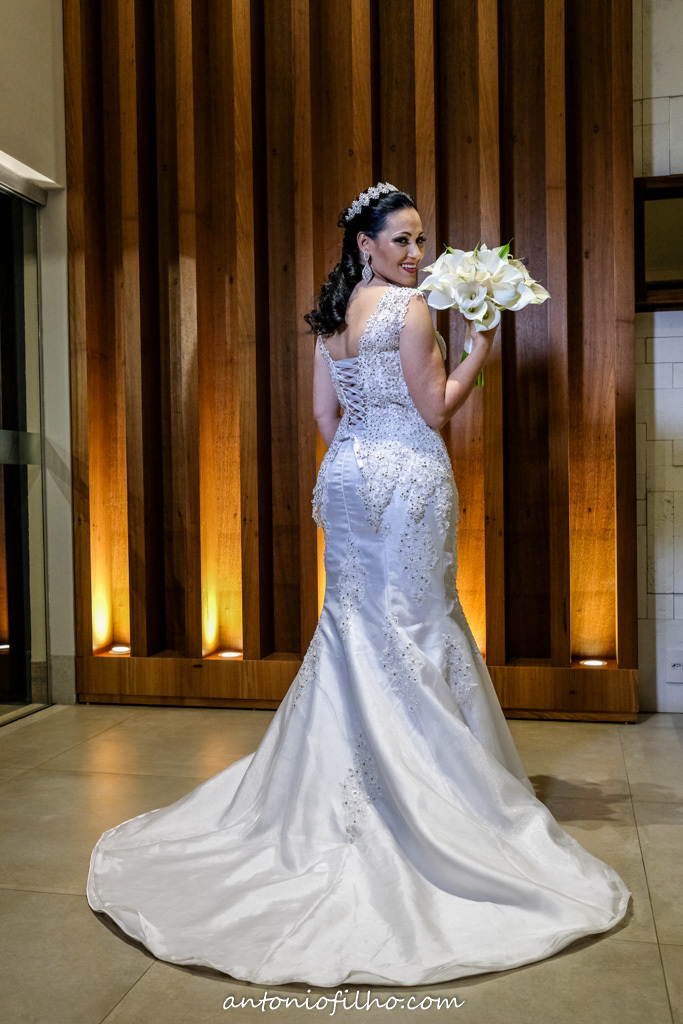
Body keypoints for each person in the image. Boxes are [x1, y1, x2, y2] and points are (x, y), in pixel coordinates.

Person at [86, 182, 631, 988]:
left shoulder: (330, 318)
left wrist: (358, 456)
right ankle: (428, 800)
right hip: (406, 480)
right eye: (401, 239)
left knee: (354, 627)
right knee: (414, 626)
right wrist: (482, 345)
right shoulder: (409, 311)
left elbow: (323, 417)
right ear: (364, 244)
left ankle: (337, 788)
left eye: (420, 240)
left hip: (346, 479)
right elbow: (437, 408)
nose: (415, 253)